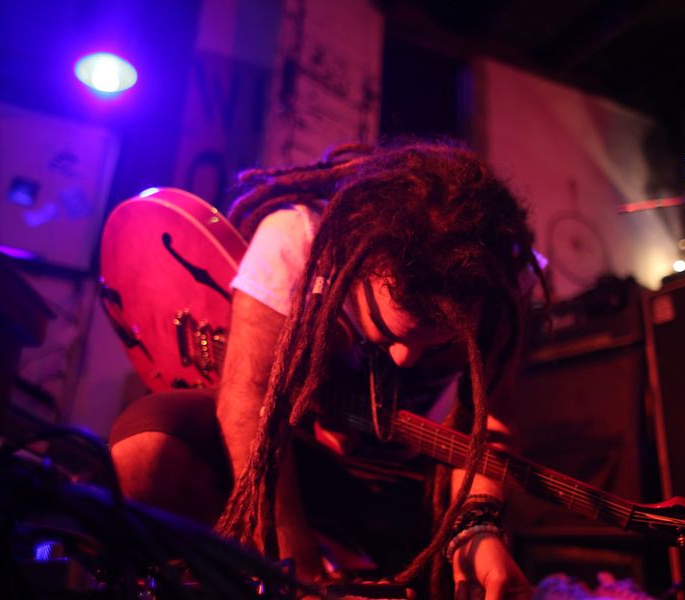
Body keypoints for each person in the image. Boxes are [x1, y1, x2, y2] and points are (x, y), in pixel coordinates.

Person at [109, 140, 546, 599]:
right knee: (149, 446)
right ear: (357, 256)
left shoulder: (501, 278)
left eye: (440, 342)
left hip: (409, 485)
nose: (406, 358)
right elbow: (248, 399)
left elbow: (489, 422)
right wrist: (300, 577)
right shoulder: (299, 238)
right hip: (294, 457)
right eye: (390, 332)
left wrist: (477, 529)